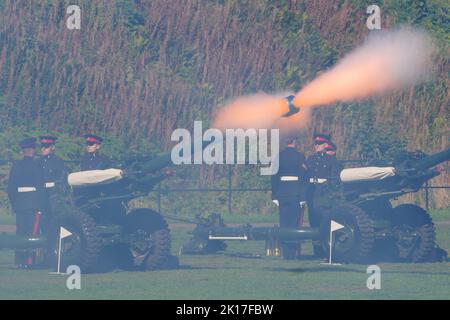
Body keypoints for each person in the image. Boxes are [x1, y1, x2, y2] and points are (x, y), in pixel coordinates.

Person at [7, 138, 46, 268]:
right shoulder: (37, 166)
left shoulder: (16, 166)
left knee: (20, 232)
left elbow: (11, 188)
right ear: (33, 150)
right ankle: (29, 261)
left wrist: (14, 204)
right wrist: (40, 205)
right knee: (31, 232)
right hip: (33, 203)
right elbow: (40, 187)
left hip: (20, 204)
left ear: (23, 150)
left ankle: (19, 261)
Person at [271, 137, 308, 259]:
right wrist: (303, 197)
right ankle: (292, 253)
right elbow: (303, 178)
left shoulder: (279, 156)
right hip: (295, 193)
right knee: (293, 223)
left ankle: (285, 253)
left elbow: (274, 176)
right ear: (294, 142)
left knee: (284, 223)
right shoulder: (299, 156)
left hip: (282, 192)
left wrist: (275, 195)